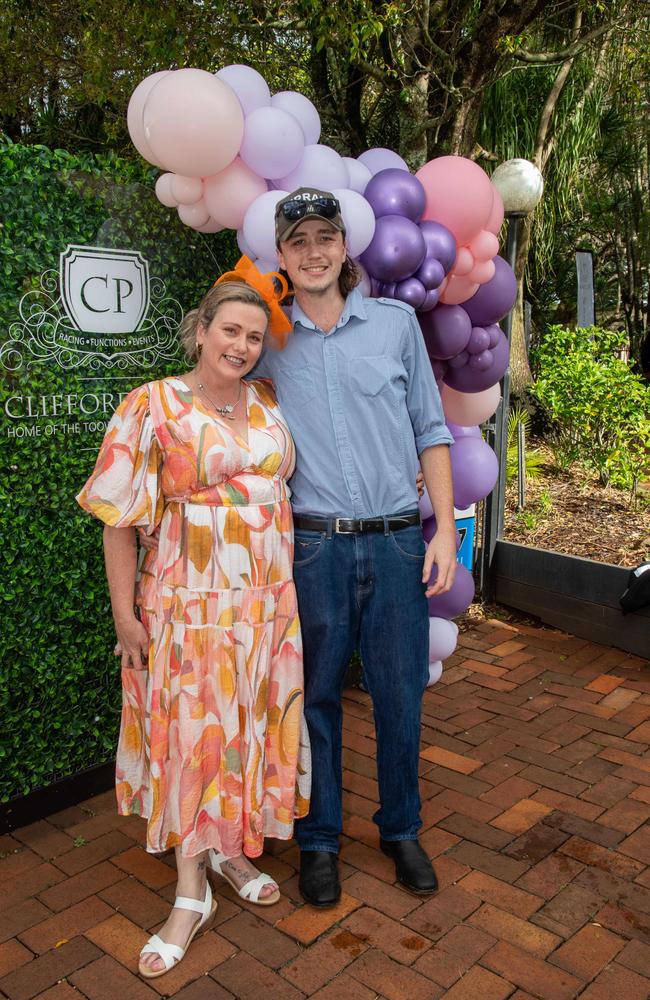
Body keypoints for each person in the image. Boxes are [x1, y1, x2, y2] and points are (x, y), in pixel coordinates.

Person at [76, 267, 310, 978]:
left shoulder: (267, 402)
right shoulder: (153, 406)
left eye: (252, 336)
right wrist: (126, 617)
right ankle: (189, 892)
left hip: (268, 606)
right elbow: (118, 522)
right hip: (188, 608)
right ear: (200, 331)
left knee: (247, 724)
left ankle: (232, 852)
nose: (240, 346)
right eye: (228, 331)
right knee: (192, 738)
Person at [250, 187, 457, 907]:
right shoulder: (266, 340)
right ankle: (318, 840)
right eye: (298, 241)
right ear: (281, 255)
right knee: (317, 700)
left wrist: (446, 536)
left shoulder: (395, 325)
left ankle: (401, 829)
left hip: (400, 542)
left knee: (401, 695)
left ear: (346, 249)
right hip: (312, 550)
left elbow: (431, 430)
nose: (313, 252)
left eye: (324, 239)